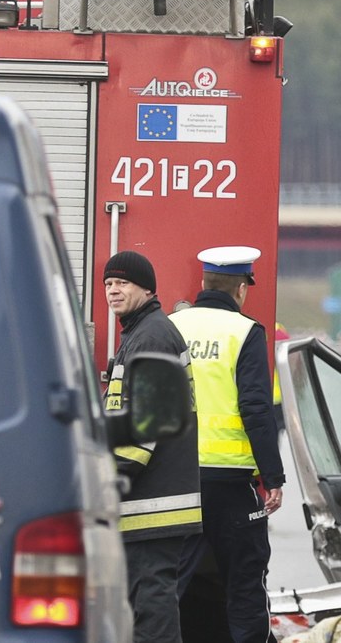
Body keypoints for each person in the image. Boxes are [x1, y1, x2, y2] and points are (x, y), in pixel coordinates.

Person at [170, 245, 285, 643]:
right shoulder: (245, 331)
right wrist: (272, 476)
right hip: (232, 484)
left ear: (203, 283)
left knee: (170, 583)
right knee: (245, 580)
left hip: (176, 480)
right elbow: (256, 407)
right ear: (241, 289)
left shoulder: (171, 327)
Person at [103, 250, 202, 643]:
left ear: (147, 288)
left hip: (153, 501)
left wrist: (109, 479)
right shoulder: (141, 333)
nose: (113, 290)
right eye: (109, 283)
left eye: (122, 283)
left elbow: (145, 426)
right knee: (143, 600)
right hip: (150, 499)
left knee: (152, 601)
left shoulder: (153, 336)